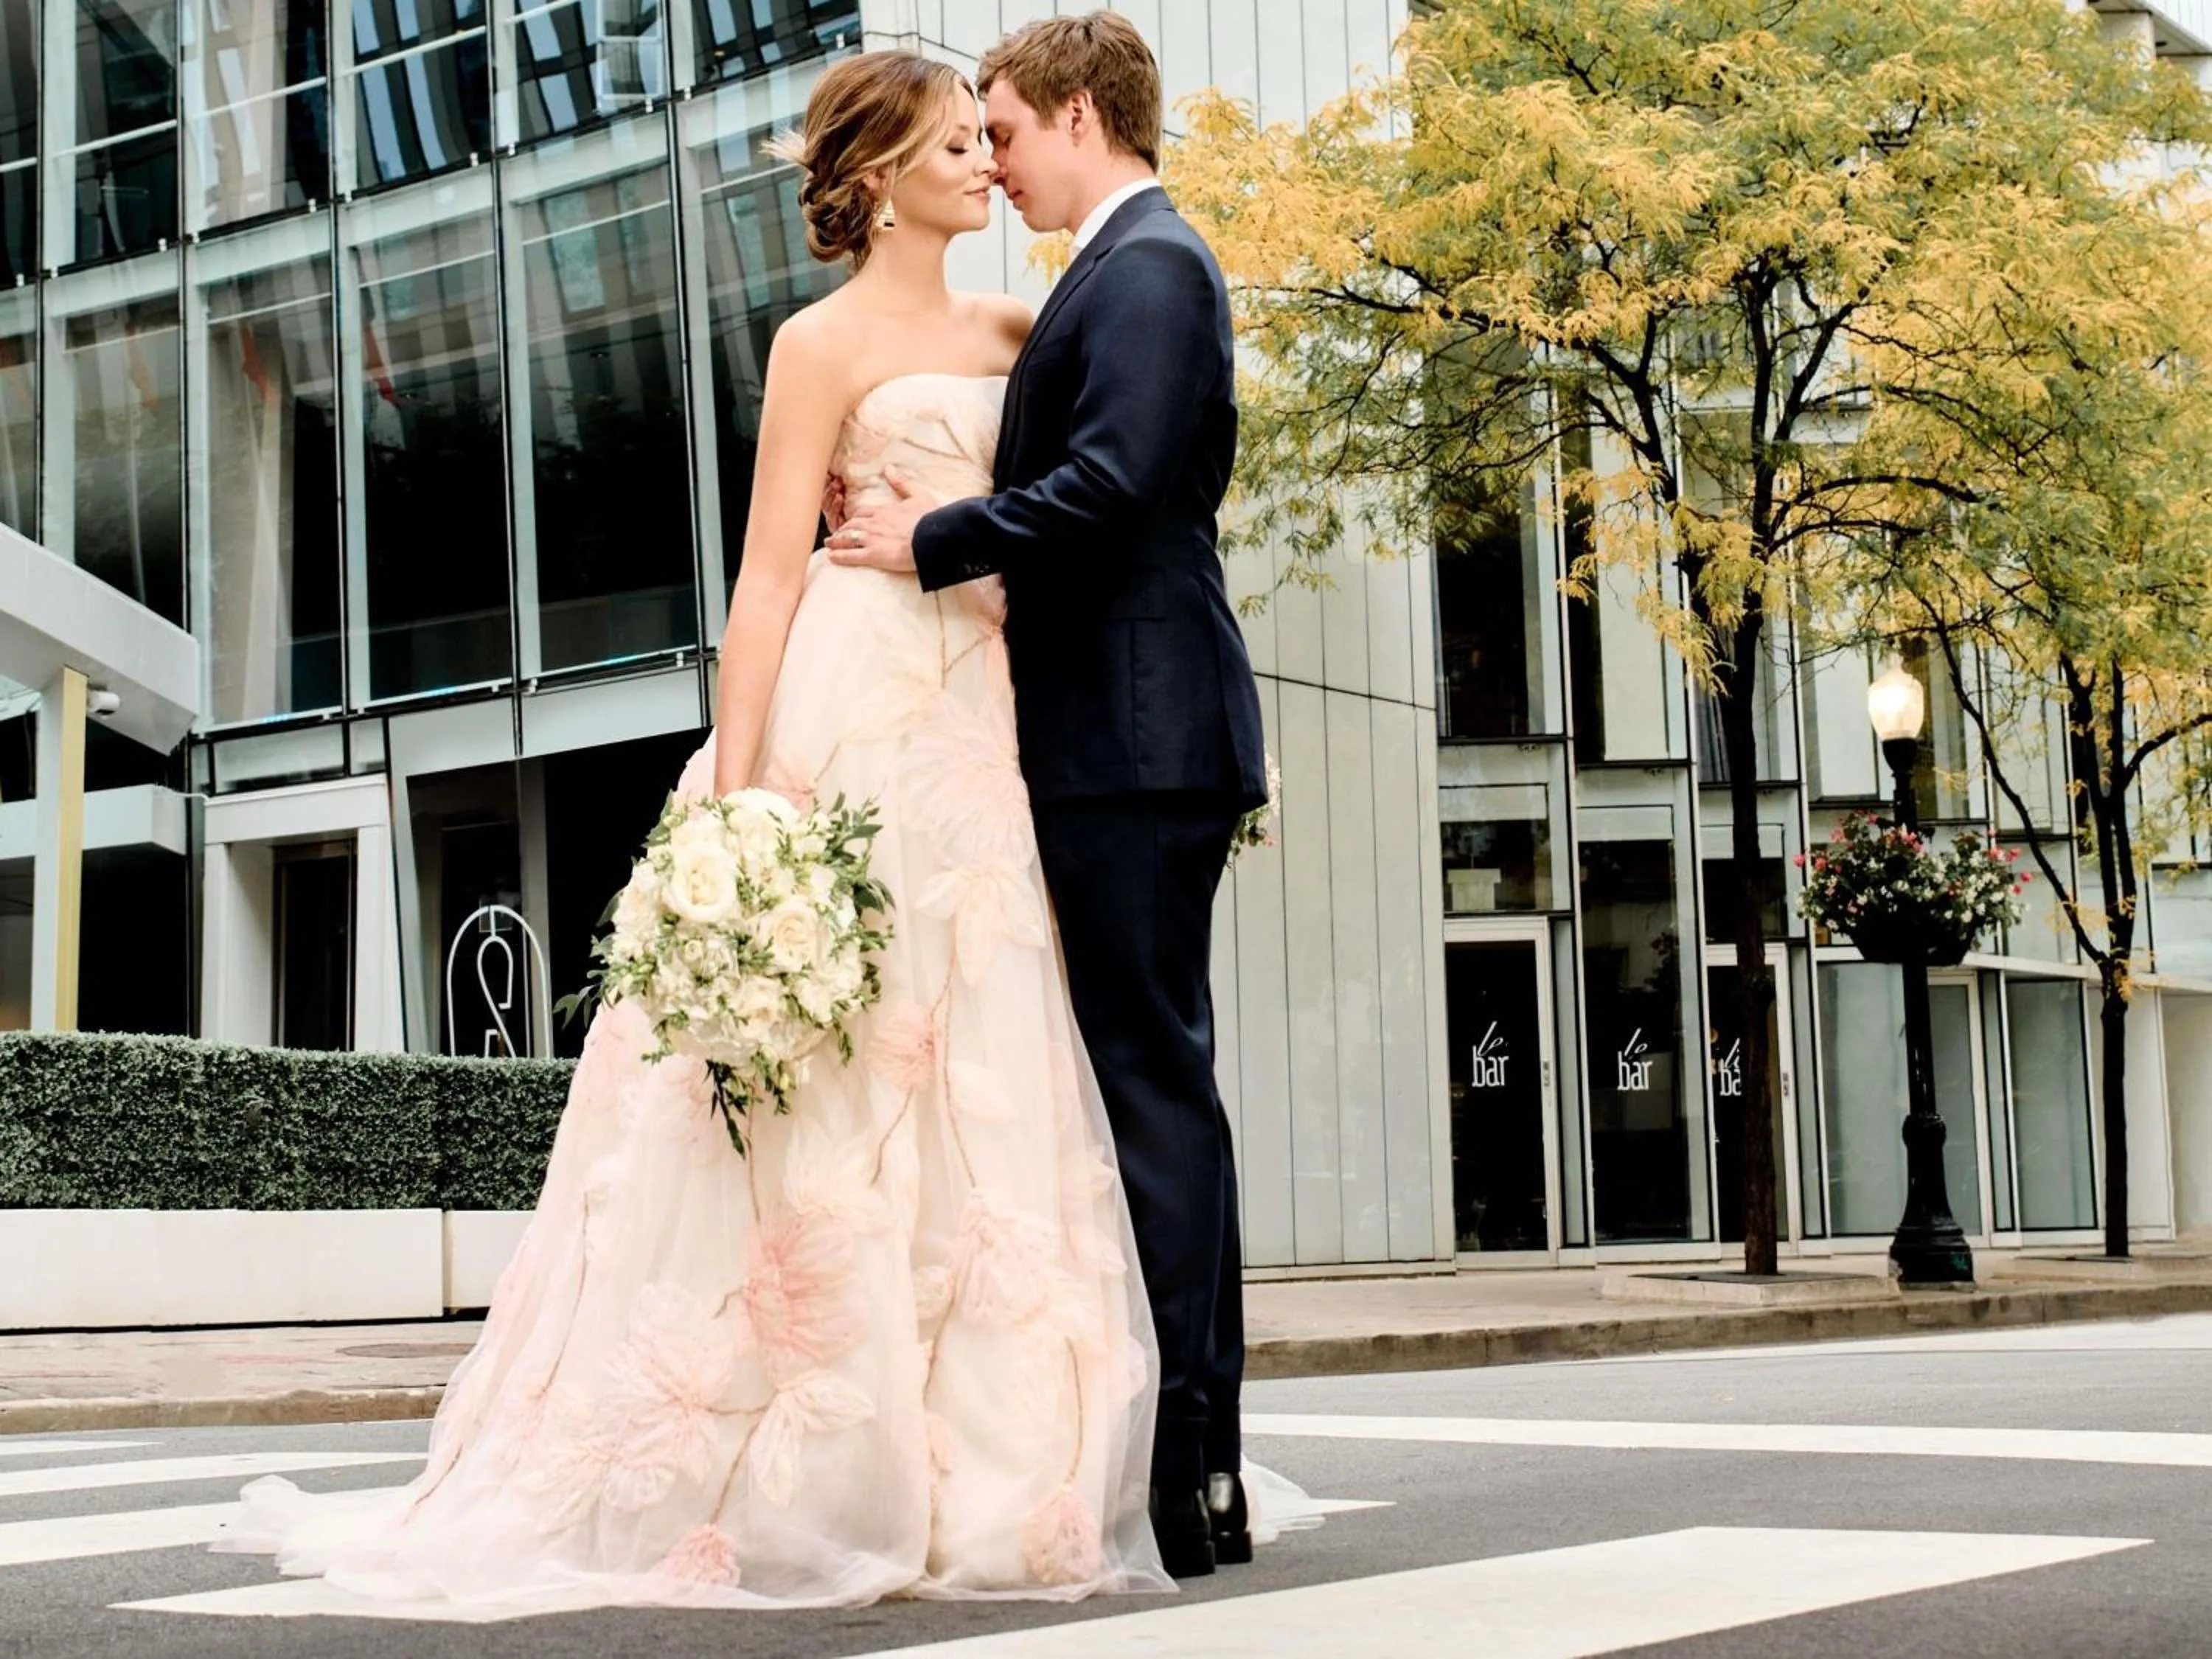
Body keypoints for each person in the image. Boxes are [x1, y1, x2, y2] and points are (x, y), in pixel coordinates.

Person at [208, 50, 1177, 1612]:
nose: (981, 171)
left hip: (982, 724)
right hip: (849, 712)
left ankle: (1002, 1461)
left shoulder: (1026, 328)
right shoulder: (816, 345)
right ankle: (816, 1452)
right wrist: (737, 794)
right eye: (950, 147)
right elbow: (772, 576)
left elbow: (1081, 520)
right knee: (836, 1069)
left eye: (984, 146)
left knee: (987, 1056)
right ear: (873, 180)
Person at [830, 12, 1269, 1580]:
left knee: (1152, 1088)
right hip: (1114, 738)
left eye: (1004, 130)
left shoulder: (1149, 266)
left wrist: (937, 538)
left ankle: (1197, 1461)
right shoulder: (1116, 266)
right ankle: (1187, 1455)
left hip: (1136, 744)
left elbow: (1119, 479)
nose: (994, 161)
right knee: (1146, 1083)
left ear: (1080, 114)